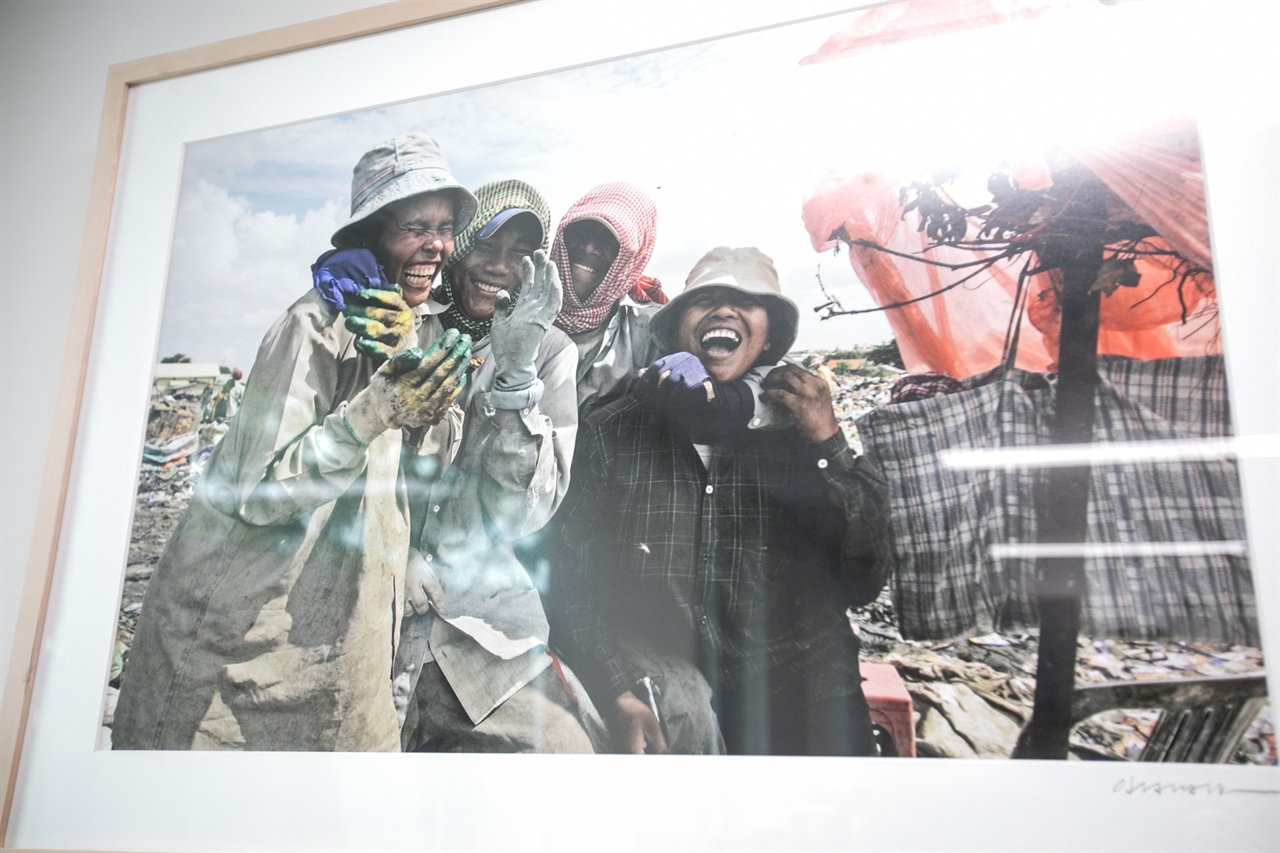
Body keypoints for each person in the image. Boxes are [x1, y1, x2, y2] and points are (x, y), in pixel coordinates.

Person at [113, 135, 583, 751]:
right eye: (416, 225)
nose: (436, 244)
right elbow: (254, 491)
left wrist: (512, 377)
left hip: (365, 620)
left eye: (443, 227)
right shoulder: (319, 323)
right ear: (372, 235)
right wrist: (373, 408)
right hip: (251, 624)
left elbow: (468, 484)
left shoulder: (464, 338)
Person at [551, 246, 890, 756]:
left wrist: (828, 445)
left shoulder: (800, 430)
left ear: (770, 335)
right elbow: (569, 574)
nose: (725, 311)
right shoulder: (614, 430)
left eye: (745, 302)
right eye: (705, 300)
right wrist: (617, 686)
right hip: (674, 688)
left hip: (801, 684)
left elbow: (864, 577)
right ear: (675, 330)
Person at [390, 178, 603, 753]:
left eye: (519, 253)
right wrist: (396, 552)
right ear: (457, 248)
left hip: (481, 628)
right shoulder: (406, 324)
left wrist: (514, 373)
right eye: (486, 245)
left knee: (566, 754)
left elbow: (523, 513)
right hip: (377, 600)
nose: (500, 266)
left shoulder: (552, 351)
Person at [548, 182, 665, 414]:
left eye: (610, 241)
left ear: (633, 257)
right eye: (581, 232)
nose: (590, 247)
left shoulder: (650, 333)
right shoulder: (513, 305)